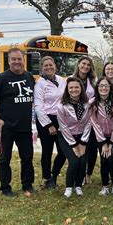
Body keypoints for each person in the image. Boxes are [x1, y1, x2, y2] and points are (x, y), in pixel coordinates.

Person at [0, 48, 36, 196]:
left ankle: (27, 185)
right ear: (9, 61)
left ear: (23, 59)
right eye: (13, 59)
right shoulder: (2, 78)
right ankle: (5, 187)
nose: (17, 62)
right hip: (6, 128)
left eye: (19, 59)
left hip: (25, 127)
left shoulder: (29, 77)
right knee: (4, 158)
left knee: (27, 157)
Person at [34, 56, 66, 189]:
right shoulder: (40, 84)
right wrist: (49, 125)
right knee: (47, 150)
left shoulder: (61, 80)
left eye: (50, 65)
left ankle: (54, 175)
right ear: (42, 68)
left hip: (61, 119)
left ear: (55, 66)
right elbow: (38, 106)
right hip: (46, 119)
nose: (48, 67)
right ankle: (47, 179)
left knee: (63, 151)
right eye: (45, 66)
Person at [57, 77, 92, 198]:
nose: (74, 89)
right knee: (74, 161)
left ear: (81, 89)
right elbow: (63, 127)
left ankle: (78, 186)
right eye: (71, 87)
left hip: (82, 137)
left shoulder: (87, 104)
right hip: (66, 138)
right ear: (67, 89)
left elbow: (89, 123)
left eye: (76, 87)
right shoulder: (62, 106)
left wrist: (82, 142)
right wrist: (74, 145)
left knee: (82, 161)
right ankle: (68, 187)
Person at [90, 77, 113, 197]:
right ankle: (105, 186)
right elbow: (94, 123)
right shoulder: (92, 103)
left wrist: (111, 142)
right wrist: (104, 143)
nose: (103, 88)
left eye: (106, 86)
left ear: (110, 88)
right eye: (101, 86)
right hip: (101, 136)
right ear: (97, 88)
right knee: (104, 160)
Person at [73, 56, 98, 184]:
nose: (85, 66)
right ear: (78, 65)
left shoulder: (93, 81)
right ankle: (81, 174)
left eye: (88, 64)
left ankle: (88, 174)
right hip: (76, 119)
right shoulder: (71, 80)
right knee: (80, 147)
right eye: (83, 64)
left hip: (90, 118)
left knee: (92, 148)